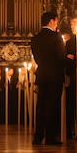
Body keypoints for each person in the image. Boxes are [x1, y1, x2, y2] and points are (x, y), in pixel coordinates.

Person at [30, 11, 67, 145]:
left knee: (41, 106)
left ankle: (38, 136)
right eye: (57, 21)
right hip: (55, 75)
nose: (57, 24)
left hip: (42, 75)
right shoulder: (56, 37)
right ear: (52, 21)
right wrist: (69, 59)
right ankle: (51, 137)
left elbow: (37, 58)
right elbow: (61, 57)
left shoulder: (35, 38)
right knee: (52, 106)